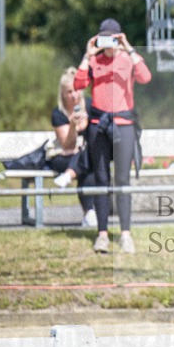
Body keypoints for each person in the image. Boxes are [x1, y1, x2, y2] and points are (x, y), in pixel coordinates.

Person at [74, 18, 151, 253]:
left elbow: (145, 77)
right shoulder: (95, 61)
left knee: (123, 181)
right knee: (101, 180)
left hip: (124, 125)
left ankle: (126, 234)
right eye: (104, 37)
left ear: (119, 38)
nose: (109, 43)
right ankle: (103, 234)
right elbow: (79, 84)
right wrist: (87, 56)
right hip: (98, 125)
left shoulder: (127, 59)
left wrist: (128, 46)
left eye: (113, 38)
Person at [50, 67, 97, 227]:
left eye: (76, 90)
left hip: (84, 155)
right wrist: (72, 125)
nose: (73, 95)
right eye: (69, 91)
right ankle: (89, 213)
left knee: (88, 159)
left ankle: (69, 176)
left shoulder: (90, 106)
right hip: (64, 156)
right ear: (63, 93)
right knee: (88, 162)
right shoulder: (59, 113)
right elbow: (67, 145)